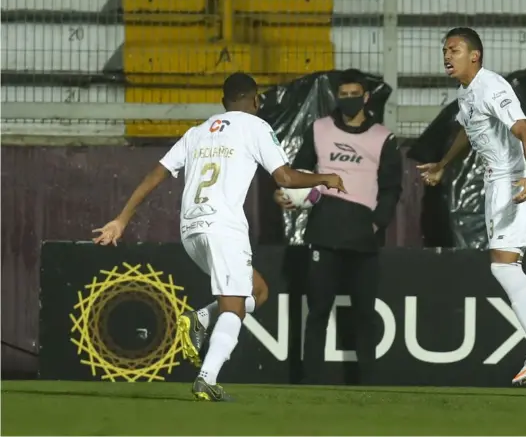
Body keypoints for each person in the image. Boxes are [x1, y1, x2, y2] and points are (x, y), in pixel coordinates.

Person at [92, 72, 346, 401]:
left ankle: (200, 319)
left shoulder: (196, 133)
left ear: (223, 102)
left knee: (258, 291)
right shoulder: (255, 126)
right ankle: (206, 379)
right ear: (256, 101)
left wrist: (121, 219)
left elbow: (156, 174)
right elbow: (284, 176)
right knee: (234, 307)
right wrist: (325, 177)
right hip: (223, 227)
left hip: (191, 230)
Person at [418, 28, 526, 385]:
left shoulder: (493, 87)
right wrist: (442, 165)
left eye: (454, 50)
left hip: (514, 178)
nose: (446, 56)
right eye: (444, 50)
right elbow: (466, 132)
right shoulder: (466, 93)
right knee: (503, 266)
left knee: (504, 267)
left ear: (475, 55)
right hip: (496, 182)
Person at [273, 69, 402, 385]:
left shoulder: (383, 138)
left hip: (363, 238)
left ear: (366, 97)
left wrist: (376, 224)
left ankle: (368, 386)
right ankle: (309, 384)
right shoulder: (319, 130)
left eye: (354, 94)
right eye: (342, 95)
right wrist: (290, 194)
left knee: (364, 316)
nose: (348, 100)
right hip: (324, 233)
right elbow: (302, 174)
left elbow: (391, 189)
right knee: (317, 314)